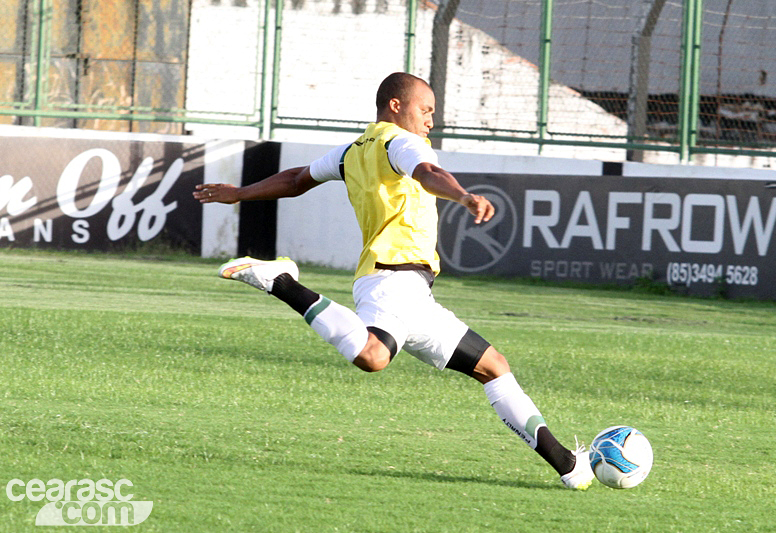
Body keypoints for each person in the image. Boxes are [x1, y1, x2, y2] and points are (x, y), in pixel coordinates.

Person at [194, 72, 594, 490]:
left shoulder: (353, 151)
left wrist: (240, 193)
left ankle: (567, 464)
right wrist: (463, 196)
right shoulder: (402, 143)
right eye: (426, 110)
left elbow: (297, 180)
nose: (430, 122)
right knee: (372, 355)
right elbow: (424, 171)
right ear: (396, 106)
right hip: (392, 281)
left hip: (413, 292)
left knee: (493, 367)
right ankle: (281, 282)